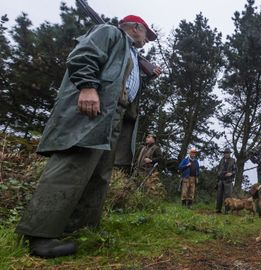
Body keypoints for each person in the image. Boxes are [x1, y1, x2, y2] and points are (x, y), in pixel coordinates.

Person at [15, 15, 161, 258]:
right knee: (72, 168)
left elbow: (121, 81)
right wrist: (87, 86)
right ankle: (39, 236)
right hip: (95, 110)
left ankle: (79, 229)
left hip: (115, 116)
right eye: (147, 34)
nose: (148, 40)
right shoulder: (109, 32)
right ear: (136, 28)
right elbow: (83, 56)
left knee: (99, 176)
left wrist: (145, 76)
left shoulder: (132, 53)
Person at [215, 148, 237, 213]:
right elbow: (218, 169)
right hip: (221, 180)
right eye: (225, 153)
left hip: (229, 181)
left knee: (228, 196)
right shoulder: (221, 160)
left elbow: (236, 170)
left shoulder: (233, 160)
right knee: (219, 195)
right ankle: (218, 209)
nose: (226, 154)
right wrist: (219, 174)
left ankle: (227, 210)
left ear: (230, 153)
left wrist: (231, 173)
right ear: (224, 154)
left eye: (228, 153)